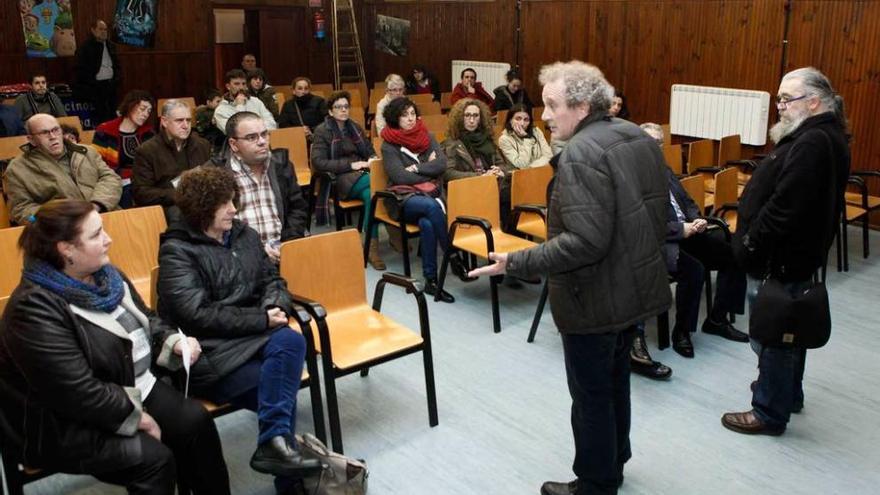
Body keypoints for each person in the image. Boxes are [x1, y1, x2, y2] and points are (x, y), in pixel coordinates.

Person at [469, 61, 671, 495]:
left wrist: (516, 262)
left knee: (592, 395)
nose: (543, 115)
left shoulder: (580, 154)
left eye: (551, 105)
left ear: (580, 106)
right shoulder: (636, 135)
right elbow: (654, 215)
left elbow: (584, 242)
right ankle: (614, 459)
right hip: (630, 286)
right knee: (616, 383)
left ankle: (596, 483)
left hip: (594, 295)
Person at [0, 199, 230, 494]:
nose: (108, 239)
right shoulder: (33, 308)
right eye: (96, 235)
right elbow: (76, 392)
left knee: (196, 424)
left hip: (130, 386)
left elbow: (145, 318)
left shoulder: (106, 275)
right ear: (65, 249)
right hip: (63, 421)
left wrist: (171, 341)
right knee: (154, 460)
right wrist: (138, 418)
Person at [156, 167, 323, 489]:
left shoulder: (244, 234)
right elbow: (195, 315)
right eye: (224, 203)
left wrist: (273, 307)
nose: (234, 209)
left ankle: (274, 449)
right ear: (201, 208)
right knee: (276, 392)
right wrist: (260, 320)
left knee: (290, 341)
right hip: (210, 352)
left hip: (254, 335)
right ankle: (288, 477)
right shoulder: (177, 250)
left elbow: (272, 279)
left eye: (233, 200)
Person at [722, 67, 850, 436]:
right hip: (796, 254)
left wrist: (749, 243)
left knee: (773, 335)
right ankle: (785, 392)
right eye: (778, 97)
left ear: (813, 101)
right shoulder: (822, 134)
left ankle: (768, 411)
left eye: (785, 98)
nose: (778, 105)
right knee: (789, 328)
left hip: (779, 257)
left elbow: (784, 208)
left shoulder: (812, 142)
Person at [641, 123, 748, 360]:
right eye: (650, 142)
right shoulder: (633, 177)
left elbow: (686, 200)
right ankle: (682, 332)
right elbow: (645, 224)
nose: (656, 147)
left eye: (659, 143)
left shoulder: (664, 169)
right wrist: (681, 229)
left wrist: (697, 219)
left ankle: (717, 320)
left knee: (734, 255)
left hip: (688, 232)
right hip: (661, 243)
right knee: (695, 272)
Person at [380, 97, 470, 302]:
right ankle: (453, 254)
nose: (410, 119)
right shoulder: (389, 145)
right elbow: (400, 177)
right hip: (402, 198)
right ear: (395, 118)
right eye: (405, 115)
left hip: (430, 194)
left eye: (412, 114)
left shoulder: (427, 136)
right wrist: (428, 172)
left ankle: (430, 281)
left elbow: (441, 165)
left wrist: (418, 168)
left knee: (428, 223)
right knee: (431, 207)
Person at [207, 111, 309, 262]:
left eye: (264, 134)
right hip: (239, 260)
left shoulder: (281, 165)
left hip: (282, 253)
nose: (262, 141)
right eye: (252, 137)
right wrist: (252, 253)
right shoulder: (215, 174)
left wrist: (287, 244)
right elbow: (210, 227)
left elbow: (297, 209)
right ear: (234, 145)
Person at [4, 114, 122, 224]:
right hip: (62, 230)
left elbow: (110, 178)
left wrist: (96, 205)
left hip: (106, 214)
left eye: (56, 130)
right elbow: (20, 210)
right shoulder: (17, 169)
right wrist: (59, 217)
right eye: (45, 133)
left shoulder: (86, 152)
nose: (53, 137)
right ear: (31, 140)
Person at [311, 90, 384, 269]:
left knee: (371, 196)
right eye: (338, 107)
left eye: (346, 106)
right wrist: (351, 165)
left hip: (362, 173)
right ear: (330, 111)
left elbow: (368, 150)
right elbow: (319, 162)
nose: (343, 110)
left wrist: (373, 158)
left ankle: (370, 247)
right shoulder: (322, 131)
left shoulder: (355, 127)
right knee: (381, 186)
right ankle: (393, 232)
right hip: (339, 178)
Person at [442, 98, 513, 230]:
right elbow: (448, 173)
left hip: (490, 185)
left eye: (475, 115)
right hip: (467, 190)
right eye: (467, 115)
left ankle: (509, 239)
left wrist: (499, 170)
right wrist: (479, 176)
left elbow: (504, 165)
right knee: (504, 198)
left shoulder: (487, 139)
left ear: (481, 118)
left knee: (511, 196)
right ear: (460, 118)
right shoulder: (452, 143)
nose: (472, 120)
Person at [132, 99, 211, 212]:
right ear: (164, 121)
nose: (185, 126)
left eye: (188, 120)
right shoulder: (147, 151)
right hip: (168, 207)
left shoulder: (202, 145)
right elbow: (141, 193)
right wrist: (181, 195)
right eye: (179, 120)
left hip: (202, 205)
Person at [93, 90, 156, 208]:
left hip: (144, 181)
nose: (145, 114)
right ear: (130, 105)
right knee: (127, 192)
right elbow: (96, 163)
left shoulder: (149, 132)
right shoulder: (105, 130)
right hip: (115, 180)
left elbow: (155, 162)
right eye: (142, 109)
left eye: (149, 111)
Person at [73, 20, 120, 124]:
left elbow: (117, 65)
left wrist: (117, 79)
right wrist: (91, 84)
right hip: (96, 87)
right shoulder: (85, 47)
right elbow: (81, 69)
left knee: (113, 114)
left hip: (111, 84)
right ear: (93, 30)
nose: (104, 32)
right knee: (101, 116)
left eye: (105, 29)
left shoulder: (111, 46)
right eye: (100, 29)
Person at [214, 69, 277, 134]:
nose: (241, 87)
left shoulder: (255, 101)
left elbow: (271, 123)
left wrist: (257, 132)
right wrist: (240, 106)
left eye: (243, 84)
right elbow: (236, 132)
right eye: (237, 84)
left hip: (262, 140)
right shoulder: (221, 110)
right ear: (228, 86)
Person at [497, 103, 552, 169]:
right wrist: (527, 138)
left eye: (526, 120)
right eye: (518, 119)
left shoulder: (536, 131)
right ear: (510, 120)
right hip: (520, 176)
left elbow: (549, 156)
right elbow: (521, 165)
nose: (522, 123)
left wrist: (532, 167)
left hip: (540, 171)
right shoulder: (504, 139)